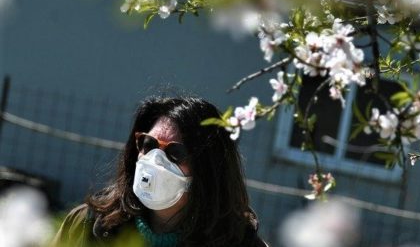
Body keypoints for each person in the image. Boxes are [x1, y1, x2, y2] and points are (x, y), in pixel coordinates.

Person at [53, 96, 267, 247]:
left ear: (208, 171)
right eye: (148, 144)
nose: (155, 160)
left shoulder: (240, 243)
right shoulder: (86, 224)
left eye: (176, 152)